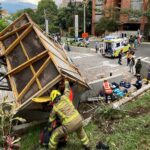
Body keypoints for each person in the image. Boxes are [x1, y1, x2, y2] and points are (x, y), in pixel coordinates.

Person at [48, 79, 90, 150]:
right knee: (80, 132)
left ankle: (51, 148)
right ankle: (87, 146)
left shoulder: (55, 108)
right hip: (79, 120)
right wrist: (66, 81)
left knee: (55, 134)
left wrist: (49, 130)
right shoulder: (65, 97)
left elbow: (50, 120)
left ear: (53, 99)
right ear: (59, 95)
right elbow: (67, 89)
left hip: (69, 126)